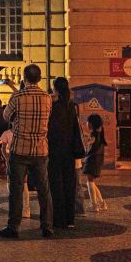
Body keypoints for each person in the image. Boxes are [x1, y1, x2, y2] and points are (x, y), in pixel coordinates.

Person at [0, 64, 54, 239]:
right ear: (39, 78)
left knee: (16, 189)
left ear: (24, 78)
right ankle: (47, 226)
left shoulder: (17, 96)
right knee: (44, 189)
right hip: (40, 149)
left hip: (20, 148)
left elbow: (6, 116)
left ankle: (13, 226)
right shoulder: (47, 97)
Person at [48, 77, 81, 229]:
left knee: (56, 184)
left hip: (54, 150)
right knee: (69, 184)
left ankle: (58, 218)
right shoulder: (71, 106)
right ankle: (70, 219)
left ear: (55, 89)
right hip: (69, 151)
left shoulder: (52, 107)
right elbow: (74, 128)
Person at [83, 114, 108, 212]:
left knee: (89, 182)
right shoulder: (100, 133)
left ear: (92, 124)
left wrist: (85, 140)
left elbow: (88, 143)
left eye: (88, 122)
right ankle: (102, 203)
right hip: (98, 159)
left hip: (92, 159)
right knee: (92, 182)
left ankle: (94, 205)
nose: (86, 123)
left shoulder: (94, 134)